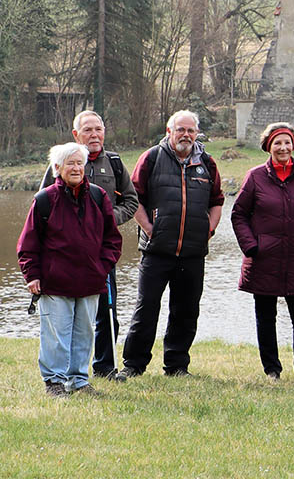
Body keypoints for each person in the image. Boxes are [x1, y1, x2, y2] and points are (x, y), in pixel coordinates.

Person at [120, 110, 224, 379]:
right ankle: (134, 365)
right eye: (180, 130)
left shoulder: (207, 163)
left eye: (191, 130)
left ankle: (177, 366)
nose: (186, 135)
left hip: (192, 253)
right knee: (146, 309)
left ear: (197, 133)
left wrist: (208, 230)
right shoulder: (152, 158)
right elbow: (134, 199)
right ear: (169, 131)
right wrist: (149, 229)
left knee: (186, 311)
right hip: (156, 251)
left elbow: (217, 201)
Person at [38, 110, 138, 382]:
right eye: (88, 130)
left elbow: (131, 202)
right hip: (64, 258)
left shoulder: (115, 163)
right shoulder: (60, 162)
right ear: (76, 134)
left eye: (98, 130)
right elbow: (43, 205)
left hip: (99, 256)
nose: (94, 135)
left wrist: (104, 221)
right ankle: (61, 374)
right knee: (64, 316)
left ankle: (104, 367)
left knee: (106, 311)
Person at [18, 143, 122, 396]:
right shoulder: (44, 200)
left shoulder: (99, 197)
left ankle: (79, 380)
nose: (76, 168)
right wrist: (32, 275)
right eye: (70, 164)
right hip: (55, 283)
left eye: (79, 163)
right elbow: (27, 244)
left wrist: (102, 268)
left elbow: (113, 240)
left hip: (90, 281)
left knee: (84, 334)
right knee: (56, 335)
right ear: (57, 168)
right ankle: (54, 382)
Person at [231, 123, 294, 382]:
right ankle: (272, 370)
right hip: (264, 259)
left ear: (293, 145)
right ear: (268, 147)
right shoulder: (255, 177)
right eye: (277, 143)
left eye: (287, 142)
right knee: (266, 317)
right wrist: (252, 246)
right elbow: (238, 214)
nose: (283, 148)